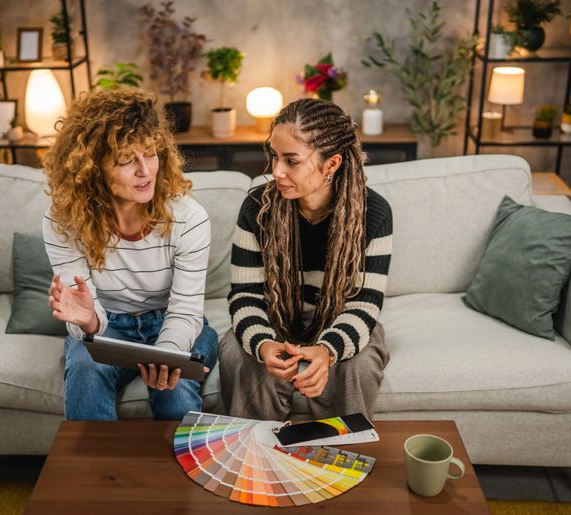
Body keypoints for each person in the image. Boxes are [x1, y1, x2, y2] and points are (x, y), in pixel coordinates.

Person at [42, 88, 218, 421]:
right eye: (126, 160)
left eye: (150, 154)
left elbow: (185, 312)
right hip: (109, 327)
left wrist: (166, 356)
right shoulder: (63, 221)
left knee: (174, 389)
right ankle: (97, 474)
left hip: (170, 319)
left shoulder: (189, 218)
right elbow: (87, 320)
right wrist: (88, 321)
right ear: (93, 168)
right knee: (84, 370)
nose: (146, 171)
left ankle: (176, 472)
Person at [219, 97, 393, 421]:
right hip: (274, 321)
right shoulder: (257, 208)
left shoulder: (374, 214)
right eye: (274, 156)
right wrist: (262, 345)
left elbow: (364, 304)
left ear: (332, 164)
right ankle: (257, 457)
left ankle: (339, 461)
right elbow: (245, 295)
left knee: (359, 364)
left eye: (291, 161)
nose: (276, 171)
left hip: (340, 321)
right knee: (234, 352)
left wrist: (327, 352)